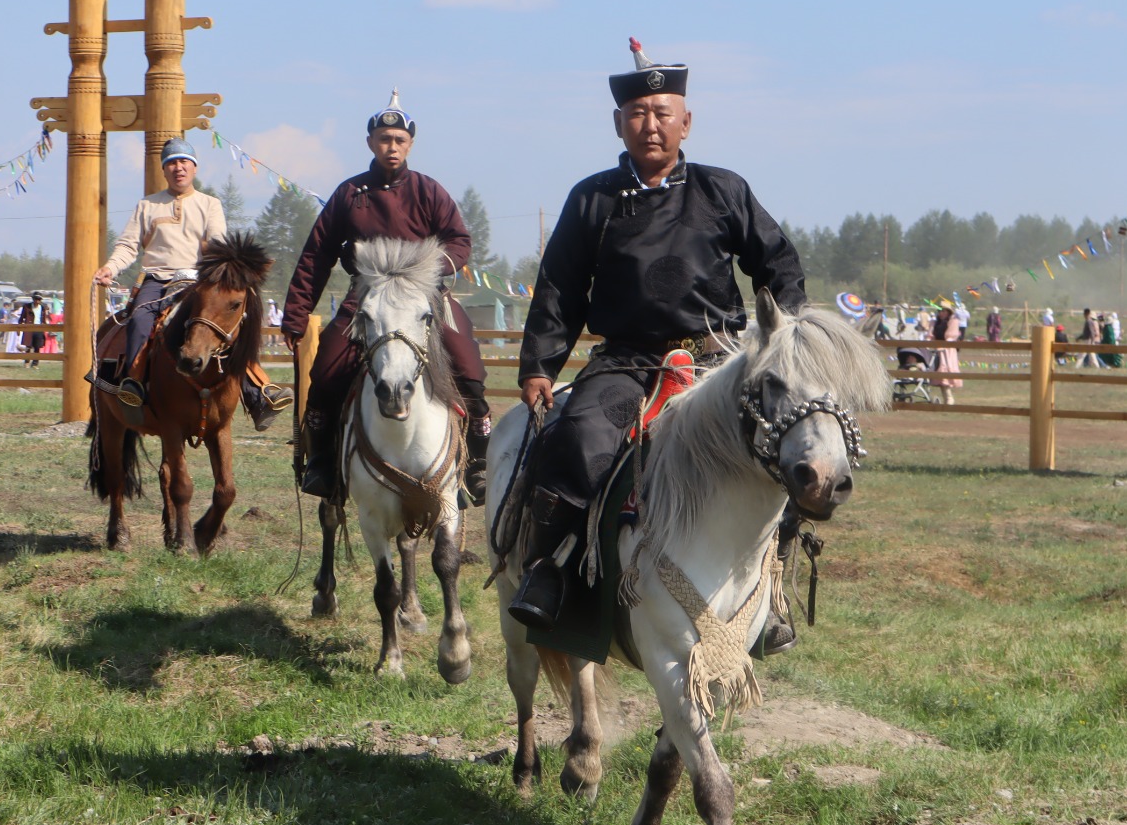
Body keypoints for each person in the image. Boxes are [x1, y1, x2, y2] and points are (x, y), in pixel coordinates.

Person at [509, 38, 806, 642]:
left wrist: (788, 340)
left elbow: (778, 264)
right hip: (625, 360)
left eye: (662, 113)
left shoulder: (724, 191)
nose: (651, 125)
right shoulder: (590, 198)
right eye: (638, 114)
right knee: (578, 439)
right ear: (619, 122)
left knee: (785, 447)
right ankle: (548, 572)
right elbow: (560, 287)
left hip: (714, 361)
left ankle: (768, 591)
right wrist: (540, 362)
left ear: (686, 122)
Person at [281, 90, 491, 503]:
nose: (391, 146)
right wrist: (295, 315)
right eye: (383, 139)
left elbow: (459, 240)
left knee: (467, 363)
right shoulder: (349, 193)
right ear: (370, 143)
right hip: (368, 296)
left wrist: (433, 267)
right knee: (325, 370)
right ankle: (322, 463)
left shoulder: (429, 191)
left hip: (424, 296)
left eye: (399, 140)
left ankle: (477, 465)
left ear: (410, 144)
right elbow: (316, 255)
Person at [93, 137, 292, 429]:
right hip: (156, 280)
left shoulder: (210, 205)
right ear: (164, 170)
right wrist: (110, 267)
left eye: (184, 161)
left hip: (197, 282)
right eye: (171, 162)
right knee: (139, 318)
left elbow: (219, 246)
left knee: (232, 327)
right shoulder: (146, 205)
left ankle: (257, 393)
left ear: (194, 168)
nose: (178, 168)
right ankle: (134, 384)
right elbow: (127, 245)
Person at [931, 301, 963, 403]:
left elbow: (951, 336)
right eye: (939, 310)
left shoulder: (953, 321)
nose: (941, 313)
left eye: (943, 311)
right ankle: (946, 398)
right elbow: (931, 335)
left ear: (948, 312)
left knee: (945, 372)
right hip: (936, 350)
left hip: (947, 350)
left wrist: (942, 346)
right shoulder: (935, 322)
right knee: (938, 374)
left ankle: (949, 398)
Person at [19, 292, 47, 368]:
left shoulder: (42, 308)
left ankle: (35, 364)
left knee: (37, 347)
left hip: (39, 329)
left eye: (39, 299)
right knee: (28, 346)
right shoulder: (27, 307)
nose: (37, 301)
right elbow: (21, 318)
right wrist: (19, 328)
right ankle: (26, 362)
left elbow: (44, 320)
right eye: (36, 299)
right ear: (33, 299)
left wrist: (45, 329)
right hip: (29, 329)